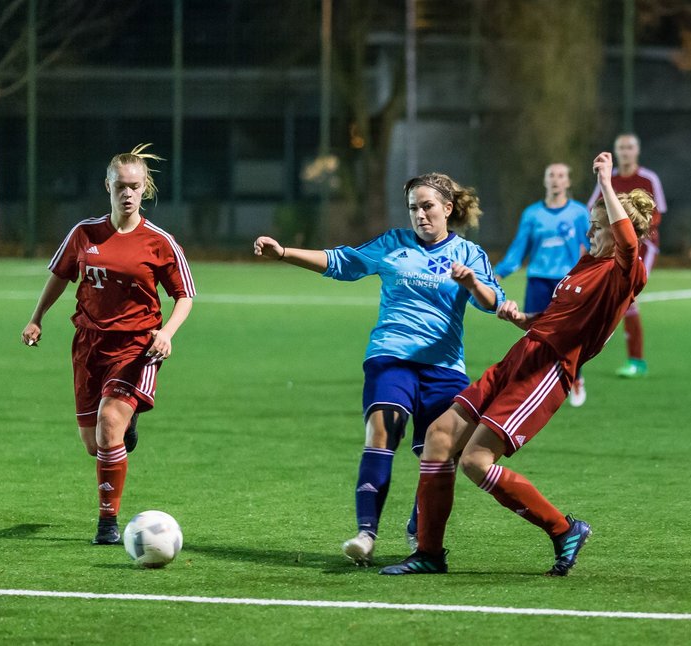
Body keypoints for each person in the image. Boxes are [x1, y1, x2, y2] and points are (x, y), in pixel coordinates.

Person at [380, 151, 653, 577]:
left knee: (475, 462)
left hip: (547, 372)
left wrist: (604, 180)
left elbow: (628, 241)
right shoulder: (588, 262)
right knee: (438, 436)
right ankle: (428, 553)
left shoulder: (626, 270)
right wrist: (524, 319)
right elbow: (559, 317)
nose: (591, 232)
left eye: (598, 227)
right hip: (522, 355)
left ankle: (564, 530)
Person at [253, 173, 505, 567]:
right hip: (391, 355)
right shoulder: (393, 244)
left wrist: (472, 283)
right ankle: (365, 534)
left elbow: (493, 302)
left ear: (447, 208)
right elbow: (342, 262)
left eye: (427, 207)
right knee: (382, 427)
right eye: (413, 208)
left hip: (444, 367)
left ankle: (419, 525)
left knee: (441, 454)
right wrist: (284, 252)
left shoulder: (469, 255)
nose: (420, 215)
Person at [21, 144, 195, 545]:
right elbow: (61, 276)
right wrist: (36, 318)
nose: (128, 194)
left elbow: (184, 294)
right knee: (94, 444)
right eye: (121, 186)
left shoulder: (160, 242)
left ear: (145, 188)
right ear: (108, 186)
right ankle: (122, 426)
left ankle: (107, 523)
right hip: (88, 344)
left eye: (135, 186)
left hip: (137, 346)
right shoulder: (84, 234)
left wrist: (166, 333)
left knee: (108, 425)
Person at [494, 162, 591, 406]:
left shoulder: (579, 213)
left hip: (566, 283)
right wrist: (498, 274)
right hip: (538, 279)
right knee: (535, 333)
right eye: (551, 175)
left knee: (569, 334)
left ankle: (575, 377)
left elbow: (592, 247)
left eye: (561, 175)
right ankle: (533, 381)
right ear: (545, 180)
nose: (556, 180)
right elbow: (519, 249)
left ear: (568, 182)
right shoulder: (532, 214)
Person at [587, 133, 666, 378]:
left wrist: (632, 231)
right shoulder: (609, 180)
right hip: (613, 247)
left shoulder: (648, 178)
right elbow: (593, 208)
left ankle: (637, 361)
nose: (625, 152)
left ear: (637, 151)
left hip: (643, 248)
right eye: (621, 147)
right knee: (604, 297)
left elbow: (657, 214)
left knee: (629, 298)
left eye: (629, 147)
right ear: (616, 151)